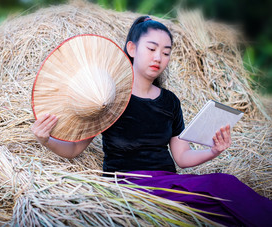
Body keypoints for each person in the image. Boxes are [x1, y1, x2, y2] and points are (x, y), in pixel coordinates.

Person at [32, 16, 272, 226]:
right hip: (129, 187)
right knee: (219, 196)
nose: (159, 57)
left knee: (224, 190)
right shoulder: (109, 97)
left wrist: (213, 151)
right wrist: (46, 139)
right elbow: (74, 148)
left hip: (168, 183)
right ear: (132, 48)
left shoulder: (170, 102)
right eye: (152, 48)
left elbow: (181, 157)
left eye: (166, 52)